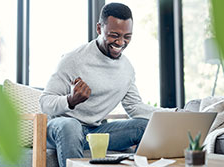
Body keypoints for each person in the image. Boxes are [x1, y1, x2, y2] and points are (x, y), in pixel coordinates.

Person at [39, 2, 168, 167]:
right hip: (61, 129)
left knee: (144, 126)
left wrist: (173, 113)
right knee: (71, 126)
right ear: (99, 29)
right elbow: (45, 103)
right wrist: (70, 101)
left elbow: (134, 107)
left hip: (94, 133)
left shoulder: (127, 69)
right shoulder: (73, 60)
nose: (120, 43)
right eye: (114, 35)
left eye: (127, 37)